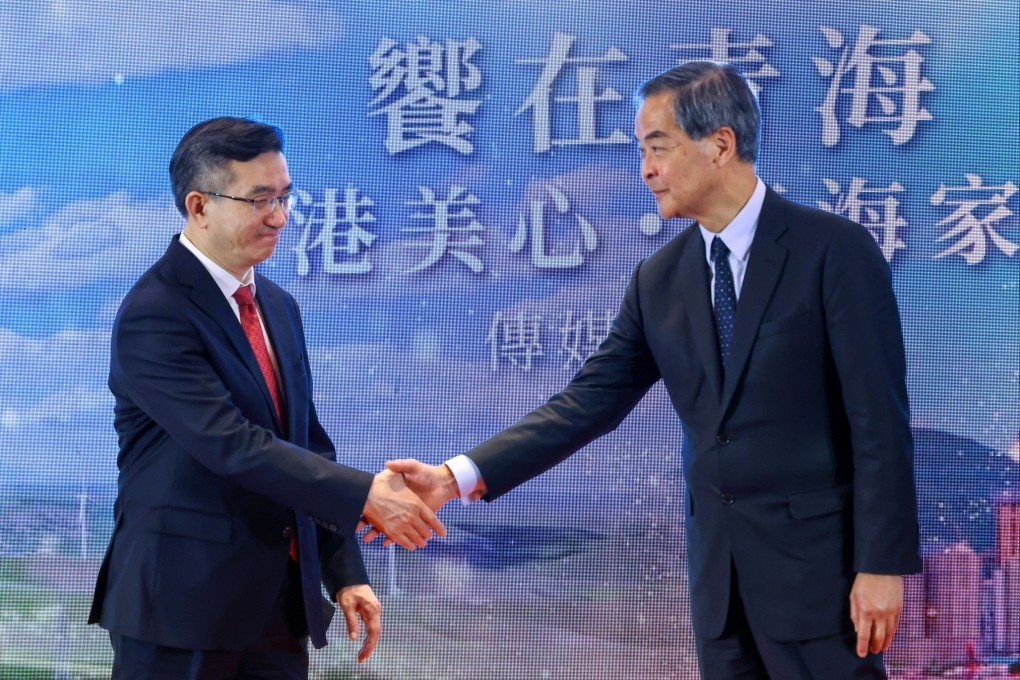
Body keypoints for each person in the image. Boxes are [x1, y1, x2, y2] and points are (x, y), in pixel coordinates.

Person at [371, 62, 922, 678]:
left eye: (657, 148)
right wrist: (454, 477)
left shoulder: (833, 252)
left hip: (824, 582)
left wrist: (883, 564)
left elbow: (879, 421)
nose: (646, 171)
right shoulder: (660, 280)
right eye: (641, 152)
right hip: (721, 591)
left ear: (720, 144)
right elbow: (587, 401)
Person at [88, 117, 445, 679]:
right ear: (199, 206)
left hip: (278, 610)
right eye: (259, 200)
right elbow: (233, 445)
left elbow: (306, 444)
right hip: (182, 611)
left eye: (284, 197)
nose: (279, 217)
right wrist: (367, 496)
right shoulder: (155, 314)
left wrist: (343, 569)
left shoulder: (277, 306)